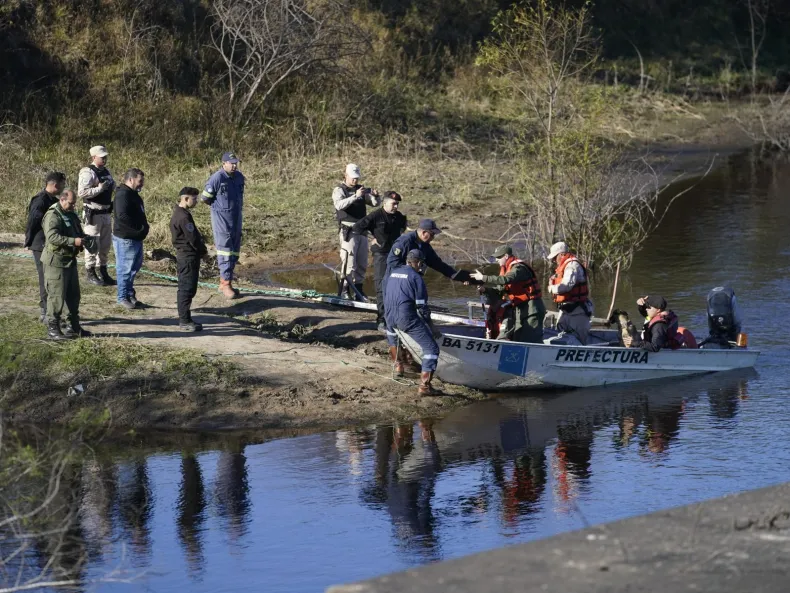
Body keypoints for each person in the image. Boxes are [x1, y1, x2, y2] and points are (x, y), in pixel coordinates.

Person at [384, 249, 442, 396]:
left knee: (393, 338)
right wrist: (432, 327)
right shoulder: (416, 278)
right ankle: (424, 387)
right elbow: (422, 307)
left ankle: (398, 367)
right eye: (422, 264)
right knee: (432, 349)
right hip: (406, 318)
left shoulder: (393, 273)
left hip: (389, 316)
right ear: (418, 263)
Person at [41, 189, 95, 340]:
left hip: (69, 260)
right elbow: (52, 237)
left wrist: (83, 238)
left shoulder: (70, 214)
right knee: (56, 296)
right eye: (71, 203)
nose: (73, 206)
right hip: (56, 262)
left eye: (74, 203)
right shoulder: (53, 215)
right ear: (62, 200)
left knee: (73, 295)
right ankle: (53, 328)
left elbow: (76, 230)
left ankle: (73, 326)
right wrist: (73, 241)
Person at [352, 190, 407, 330]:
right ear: (385, 203)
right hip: (381, 255)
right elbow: (357, 227)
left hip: (396, 255)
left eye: (397, 204)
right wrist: (371, 238)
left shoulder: (399, 217)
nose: (396, 206)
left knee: (397, 286)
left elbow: (402, 230)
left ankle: (396, 318)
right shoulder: (376, 216)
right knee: (382, 287)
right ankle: (381, 319)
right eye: (393, 204)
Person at [470, 244, 546, 343]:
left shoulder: (519, 268)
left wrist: (483, 278)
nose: (496, 260)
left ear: (506, 256)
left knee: (530, 338)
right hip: (519, 309)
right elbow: (499, 290)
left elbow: (506, 279)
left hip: (532, 309)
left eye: (498, 257)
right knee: (518, 338)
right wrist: (484, 290)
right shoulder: (506, 270)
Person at [333, 163, 380, 299]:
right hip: (348, 231)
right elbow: (339, 205)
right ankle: (345, 290)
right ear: (345, 175)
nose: (355, 180)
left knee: (362, 262)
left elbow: (375, 203)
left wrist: (376, 196)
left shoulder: (361, 189)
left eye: (357, 178)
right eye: (353, 177)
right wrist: (355, 196)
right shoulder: (339, 190)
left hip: (362, 231)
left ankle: (358, 289)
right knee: (349, 262)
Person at [24, 171, 66, 323]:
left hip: (50, 244)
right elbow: (33, 221)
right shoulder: (41, 200)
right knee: (45, 278)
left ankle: (52, 310)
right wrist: (29, 240)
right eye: (62, 184)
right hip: (40, 244)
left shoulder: (53, 200)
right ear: (55, 184)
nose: (64, 187)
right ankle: (45, 311)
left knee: (53, 278)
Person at [202, 152, 245, 300]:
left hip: (236, 219)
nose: (234, 166)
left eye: (235, 163)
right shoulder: (217, 178)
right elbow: (205, 198)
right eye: (231, 163)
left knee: (234, 252)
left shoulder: (239, 177)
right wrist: (219, 210)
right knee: (225, 252)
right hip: (222, 221)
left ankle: (225, 282)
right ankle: (226, 284)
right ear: (223, 164)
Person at [385, 219, 475, 284]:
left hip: (410, 282)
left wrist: (457, 276)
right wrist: (410, 271)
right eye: (432, 234)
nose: (433, 238)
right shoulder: (404, 241)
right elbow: (392, 262)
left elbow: (437, 264)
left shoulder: (425, 245)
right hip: (394, 282)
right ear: (424, 233)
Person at [170, 187, 208, 332]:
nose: (196, 201)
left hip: (186, 255)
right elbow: (193, 239)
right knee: (186, 288)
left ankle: (186, 319)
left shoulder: (180, 213)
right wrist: (203, 252)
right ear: (186, 199)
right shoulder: (183, 217)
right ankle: (184, 320)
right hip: (188, 257)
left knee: (188, 288)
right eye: (194, 198)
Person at [78, 145, 116, 287]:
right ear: (94, 157)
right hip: (93, 213)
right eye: (102, 157)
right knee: (92, 244)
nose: (104, 159)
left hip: (106, 212)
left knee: (105, 245)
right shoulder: (87, 172)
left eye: (105, 156)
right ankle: (90, 271)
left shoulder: (106, 171)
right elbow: (82, 192)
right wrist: (99, 189)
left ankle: (103, 271)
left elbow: (112, 186)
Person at [112, 168, 149, 310]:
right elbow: (122, 217)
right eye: (140, 181)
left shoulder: (134, 195)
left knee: (133, 268)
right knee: (125, 269)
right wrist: (138, 229)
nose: (142, 184)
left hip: (136, 238)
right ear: (131, 179)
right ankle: (122, 297)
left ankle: (129, 294)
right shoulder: (123, 195)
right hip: (126, 238)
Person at [546, 241, 593, 345]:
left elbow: (566, 286)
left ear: (562, 254)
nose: (553, 260)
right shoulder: (563, 266)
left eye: (555, 257)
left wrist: (551, 288)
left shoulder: (572, 265)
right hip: (565, 309)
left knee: (579, 342)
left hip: (577, 311)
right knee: (560, 336)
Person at [623, 295, 694, 351]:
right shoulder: (658, 315)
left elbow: (655, 347)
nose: (646, 309)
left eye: (649, 307)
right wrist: (641, 305)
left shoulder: (659, 326)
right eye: (646, 306)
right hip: (649, 343)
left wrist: (635, 342)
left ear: (658, 310)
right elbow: (645, 312)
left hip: (657, 351)